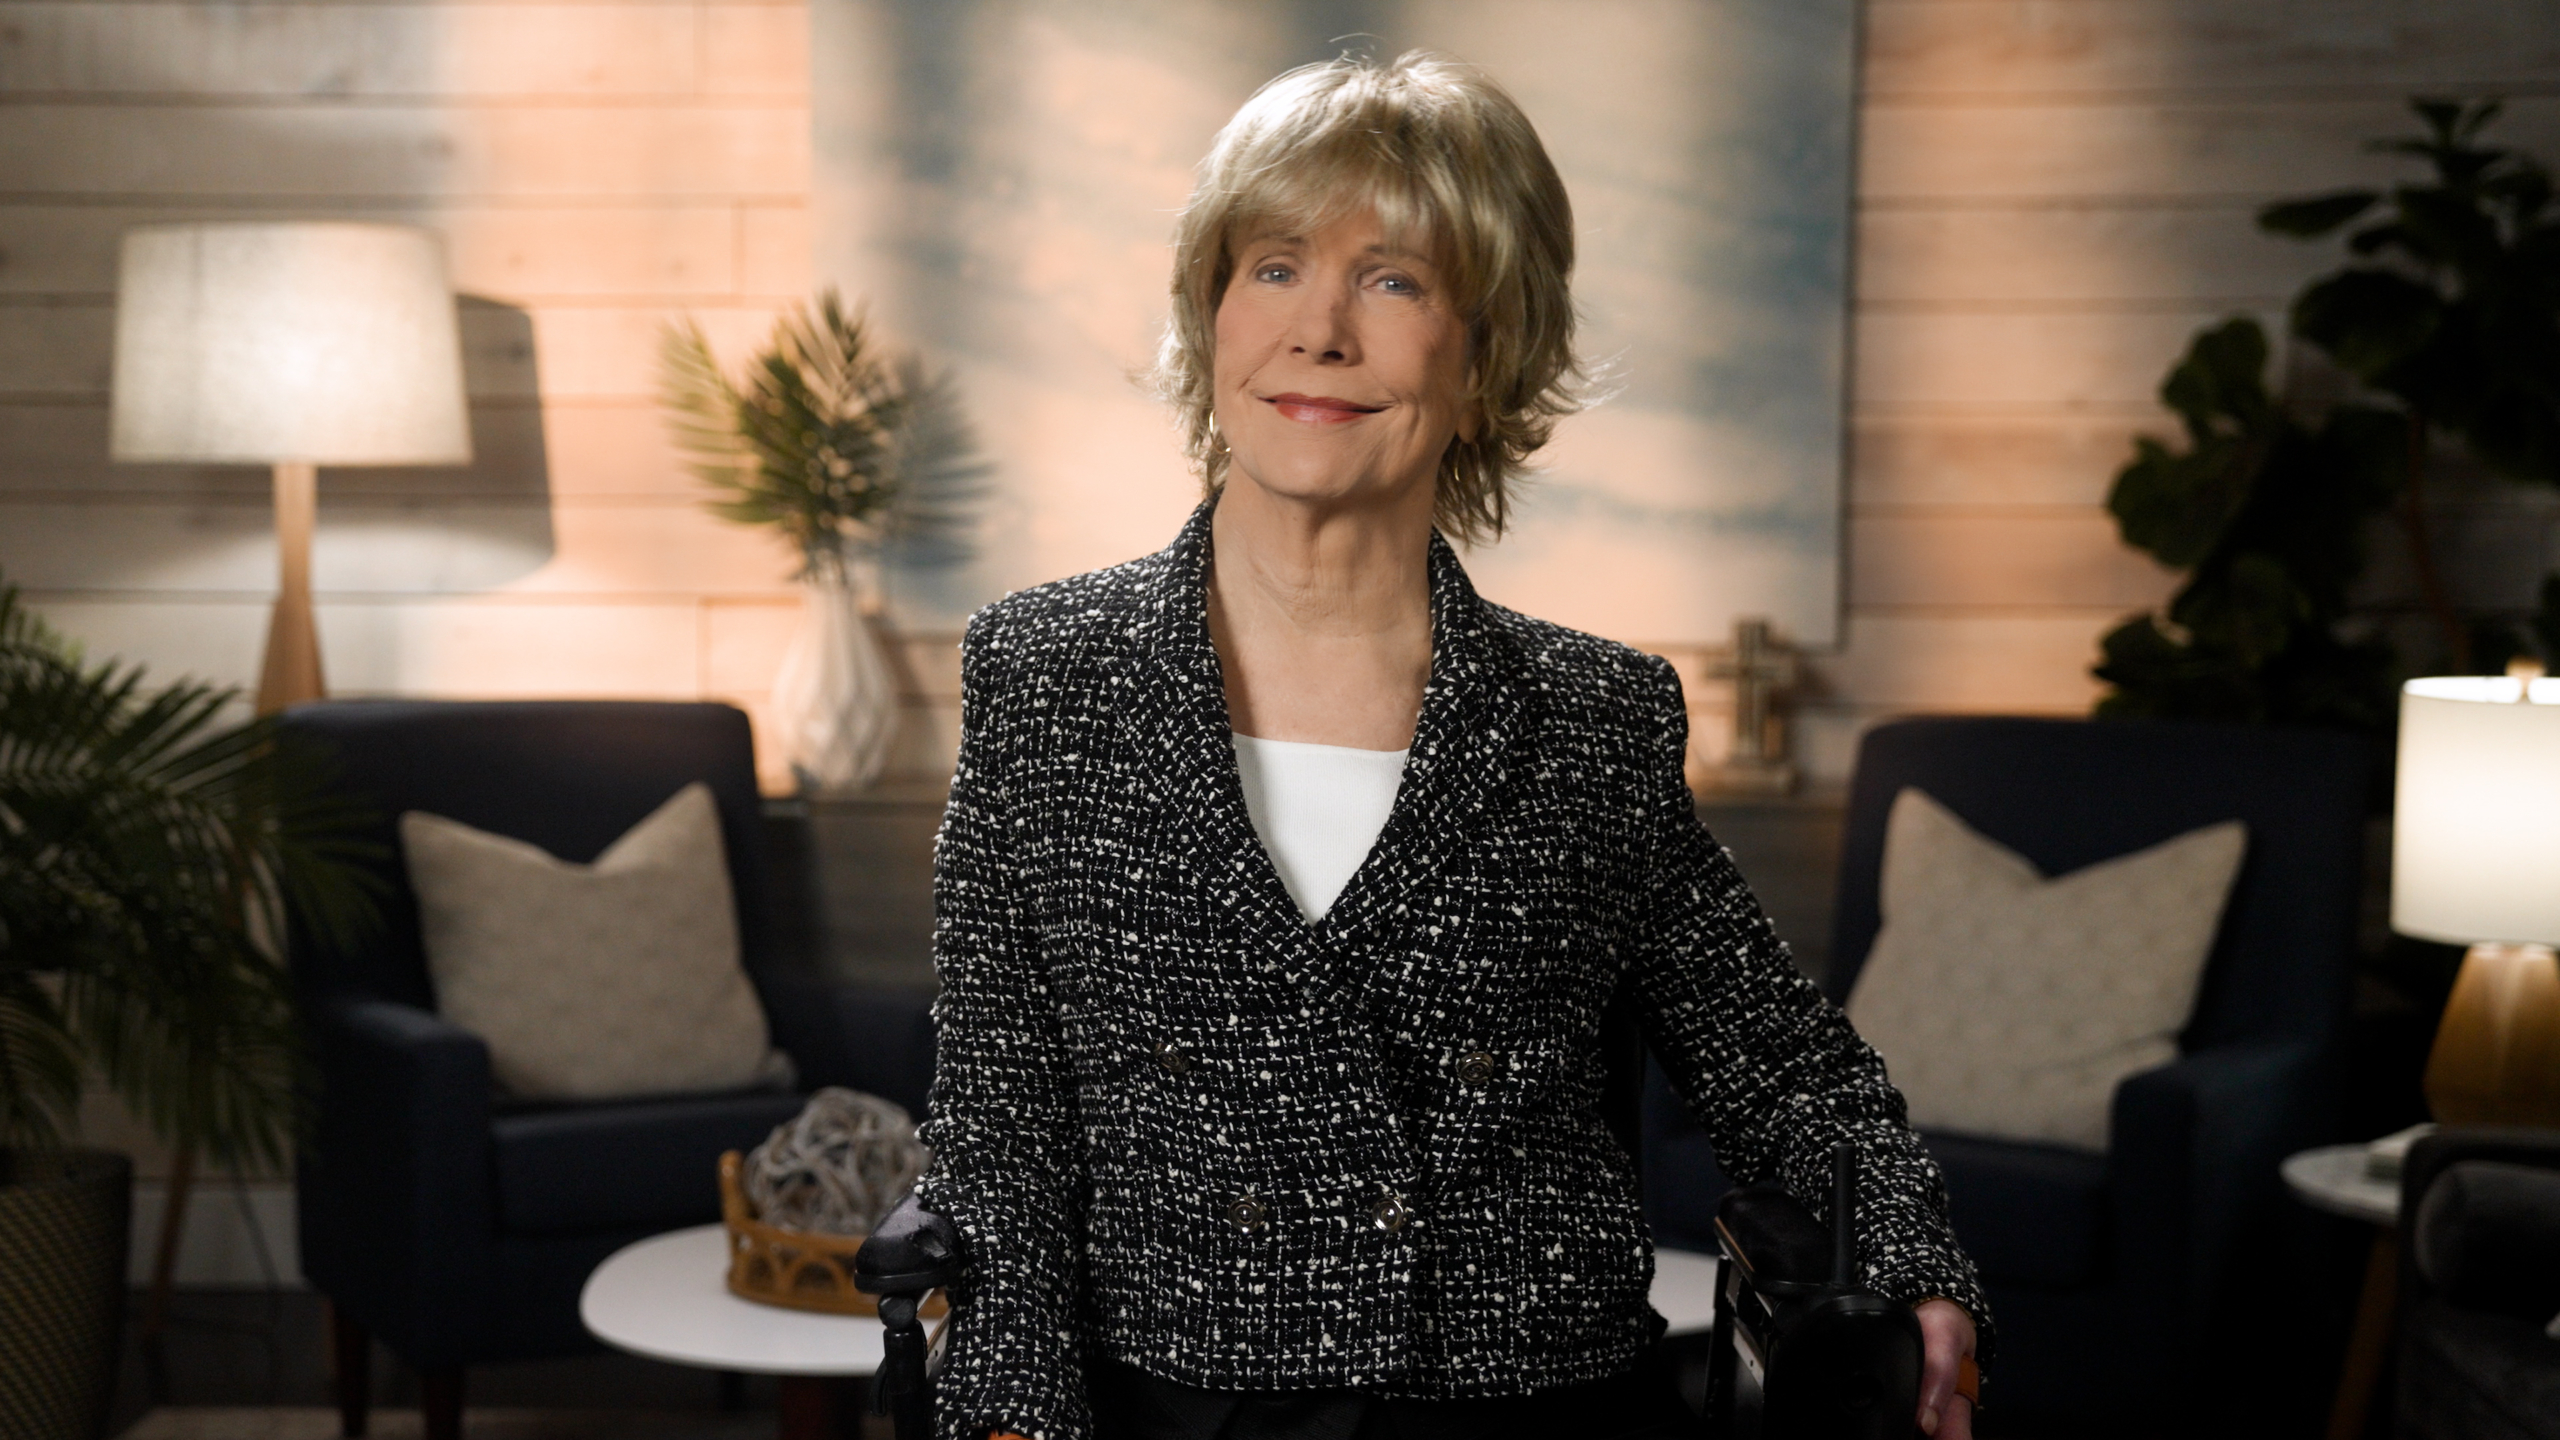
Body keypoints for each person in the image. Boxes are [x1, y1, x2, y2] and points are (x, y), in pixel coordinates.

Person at [913, 51, 1987, 1440]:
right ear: (1214, 316)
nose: (1322, 331)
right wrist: (1010, 1410)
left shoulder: (1595, 721)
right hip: (1169, 1397)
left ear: (1486, 365)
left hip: (1520, 1397)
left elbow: (1785, 1069)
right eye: (1277, 267)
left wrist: (1914, 1265)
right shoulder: (1043, 673)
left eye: (1399, 281)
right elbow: (997, 1116)